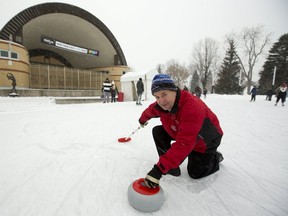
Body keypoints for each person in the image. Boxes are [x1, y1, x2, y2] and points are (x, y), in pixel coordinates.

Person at [138, 74, 224, 189]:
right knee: (158, 131)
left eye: (164, 94)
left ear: (174, 90)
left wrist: (158, 170)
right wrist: (142, 120)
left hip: (205, 140)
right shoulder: (163, 105)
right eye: (157, 97)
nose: (161, 101)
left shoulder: (191, 108)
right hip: (182, 132)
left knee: (195, 173)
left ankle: (214, 158)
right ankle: (171, 167)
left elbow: (184, 143)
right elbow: (150, 110)